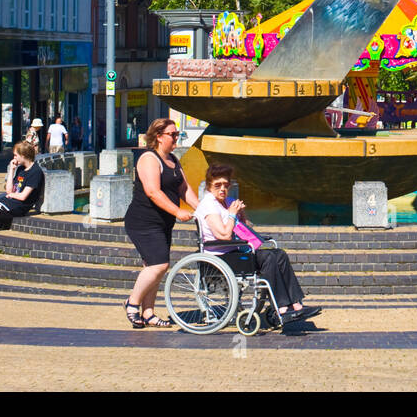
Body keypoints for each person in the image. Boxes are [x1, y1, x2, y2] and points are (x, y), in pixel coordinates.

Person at [195, 163, 318, 325]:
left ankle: (296, 303)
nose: (222, 189)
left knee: (279, 254)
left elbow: (246, 229)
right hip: (220, 255)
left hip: (236, 251)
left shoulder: (228, 201)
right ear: (209, 187)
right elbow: (223, 235)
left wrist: (241, 215)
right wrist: (232, 215)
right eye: (217, 185)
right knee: (268, 257)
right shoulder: (208, 204)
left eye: (226, 185)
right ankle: (281, 307)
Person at [122, 118, 198, 328]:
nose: (176, 138)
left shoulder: (173, 159)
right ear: (158, 136)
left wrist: (201, 210)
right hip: (143, 222)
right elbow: (153, 192)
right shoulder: (149, 158)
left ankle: (149, 313)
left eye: (177, 134)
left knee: (154, 266)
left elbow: (185, 189)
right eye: (172, 134)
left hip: (163, 223)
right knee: (159, 264)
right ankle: (132, 303)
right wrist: (178, 211)